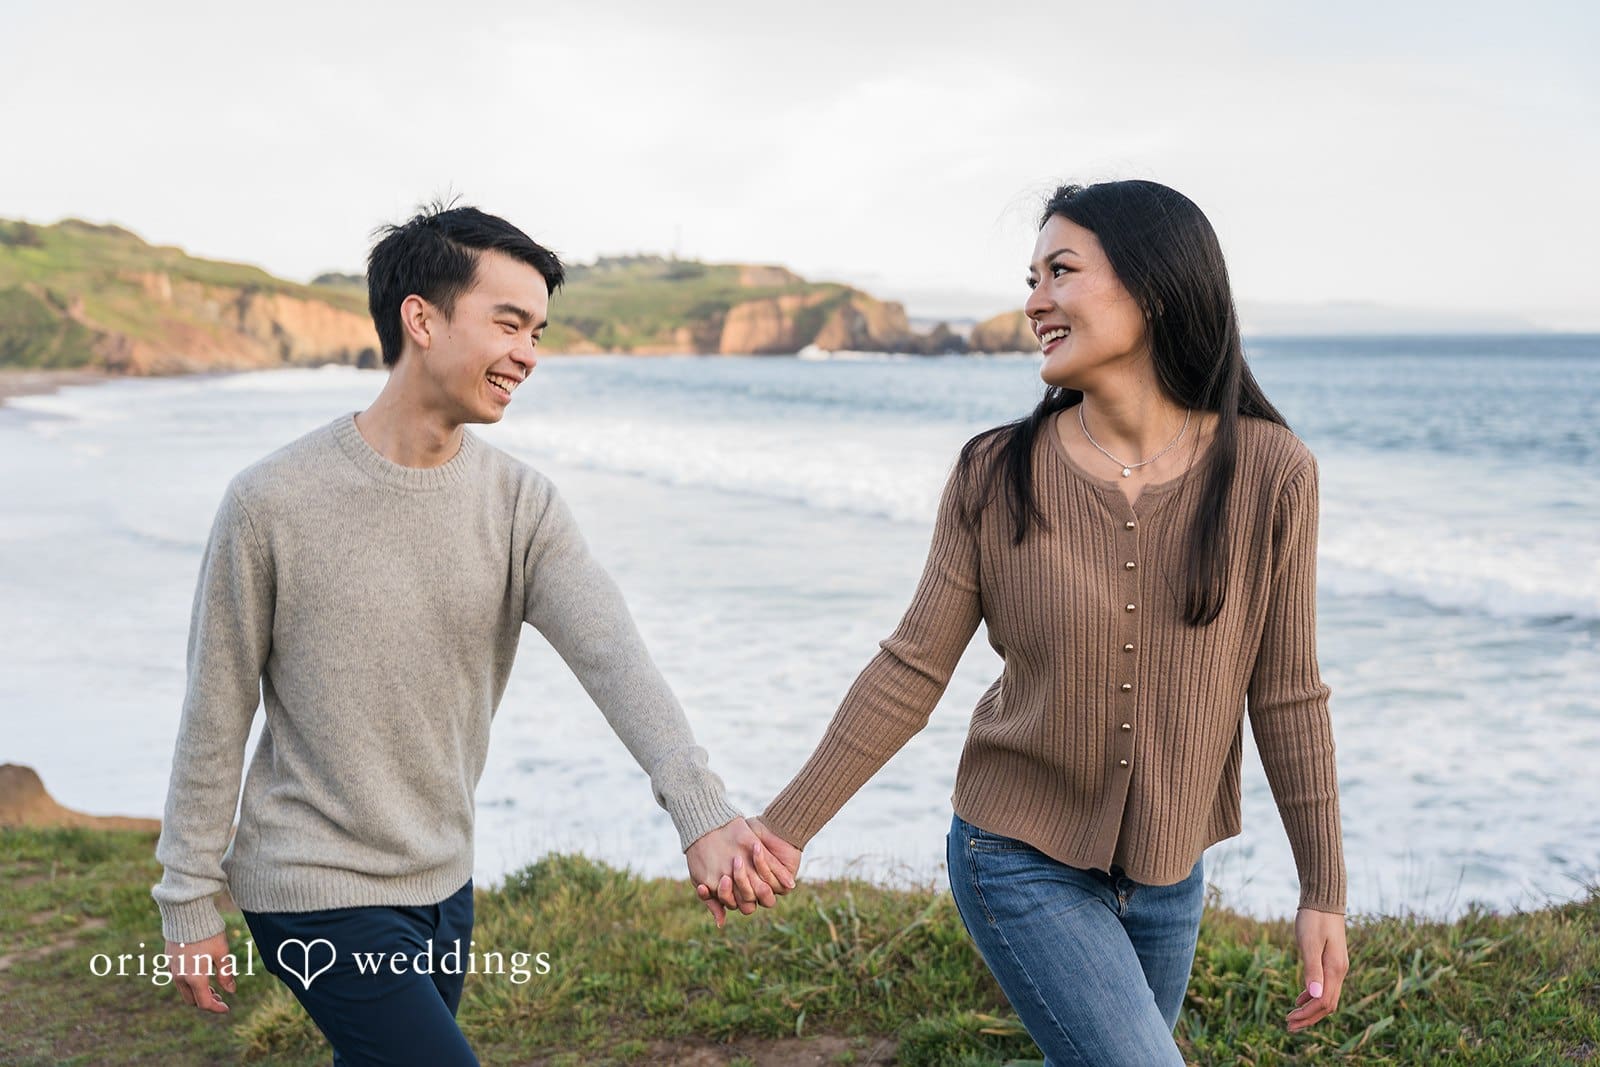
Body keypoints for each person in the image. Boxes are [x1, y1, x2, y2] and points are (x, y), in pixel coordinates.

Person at [152, 203, 790, 1065]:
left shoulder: (521, 505)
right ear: (422, 318)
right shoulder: (271, 501)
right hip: (311, 883)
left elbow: (613, 655)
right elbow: (215, 712)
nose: (530, 352)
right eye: (509, 322)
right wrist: (189, 897)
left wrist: (700, 810)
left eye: (540, 330)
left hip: (445, 882)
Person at [729, 180, 1350, 1064]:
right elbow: (912, 668)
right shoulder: (995, 472)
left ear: (1157, 285)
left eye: (1061, 271)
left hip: (1173, 875)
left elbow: (1287, 695)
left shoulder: (1270, 471)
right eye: (1031, 278)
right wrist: (785, 827)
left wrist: (1321, 889)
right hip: (1015, 854)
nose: (1034, 302)